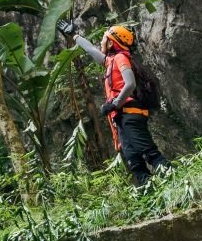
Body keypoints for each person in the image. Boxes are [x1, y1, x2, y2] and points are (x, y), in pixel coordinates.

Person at [59, 21, 167, 185]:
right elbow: (91, 50)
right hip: (122, 118)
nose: (101, 42)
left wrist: (114, 103)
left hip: (131, 114)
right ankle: (152, 195)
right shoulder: (110, 61)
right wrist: (73, 34)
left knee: (150, 153)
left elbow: (130, 84)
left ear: (111, 42)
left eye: (104, 38)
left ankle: (175, 183)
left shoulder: (121, 58)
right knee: (134, 162)